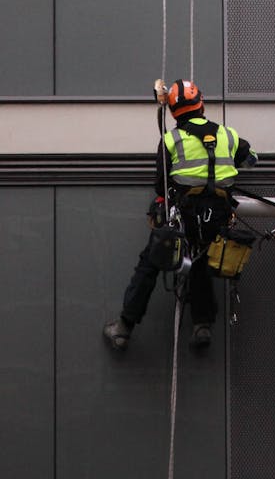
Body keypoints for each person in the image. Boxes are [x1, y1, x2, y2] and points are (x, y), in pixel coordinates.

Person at [103, 79, 257, 351]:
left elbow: (160, 183)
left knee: (150, 263)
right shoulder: (229, 135)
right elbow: (251, 159)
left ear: (174, 112)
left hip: (184, 218)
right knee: (199, 263)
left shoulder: (171, 140)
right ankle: (202, 326)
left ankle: (124, 327)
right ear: (202, 105)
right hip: (219, 219)